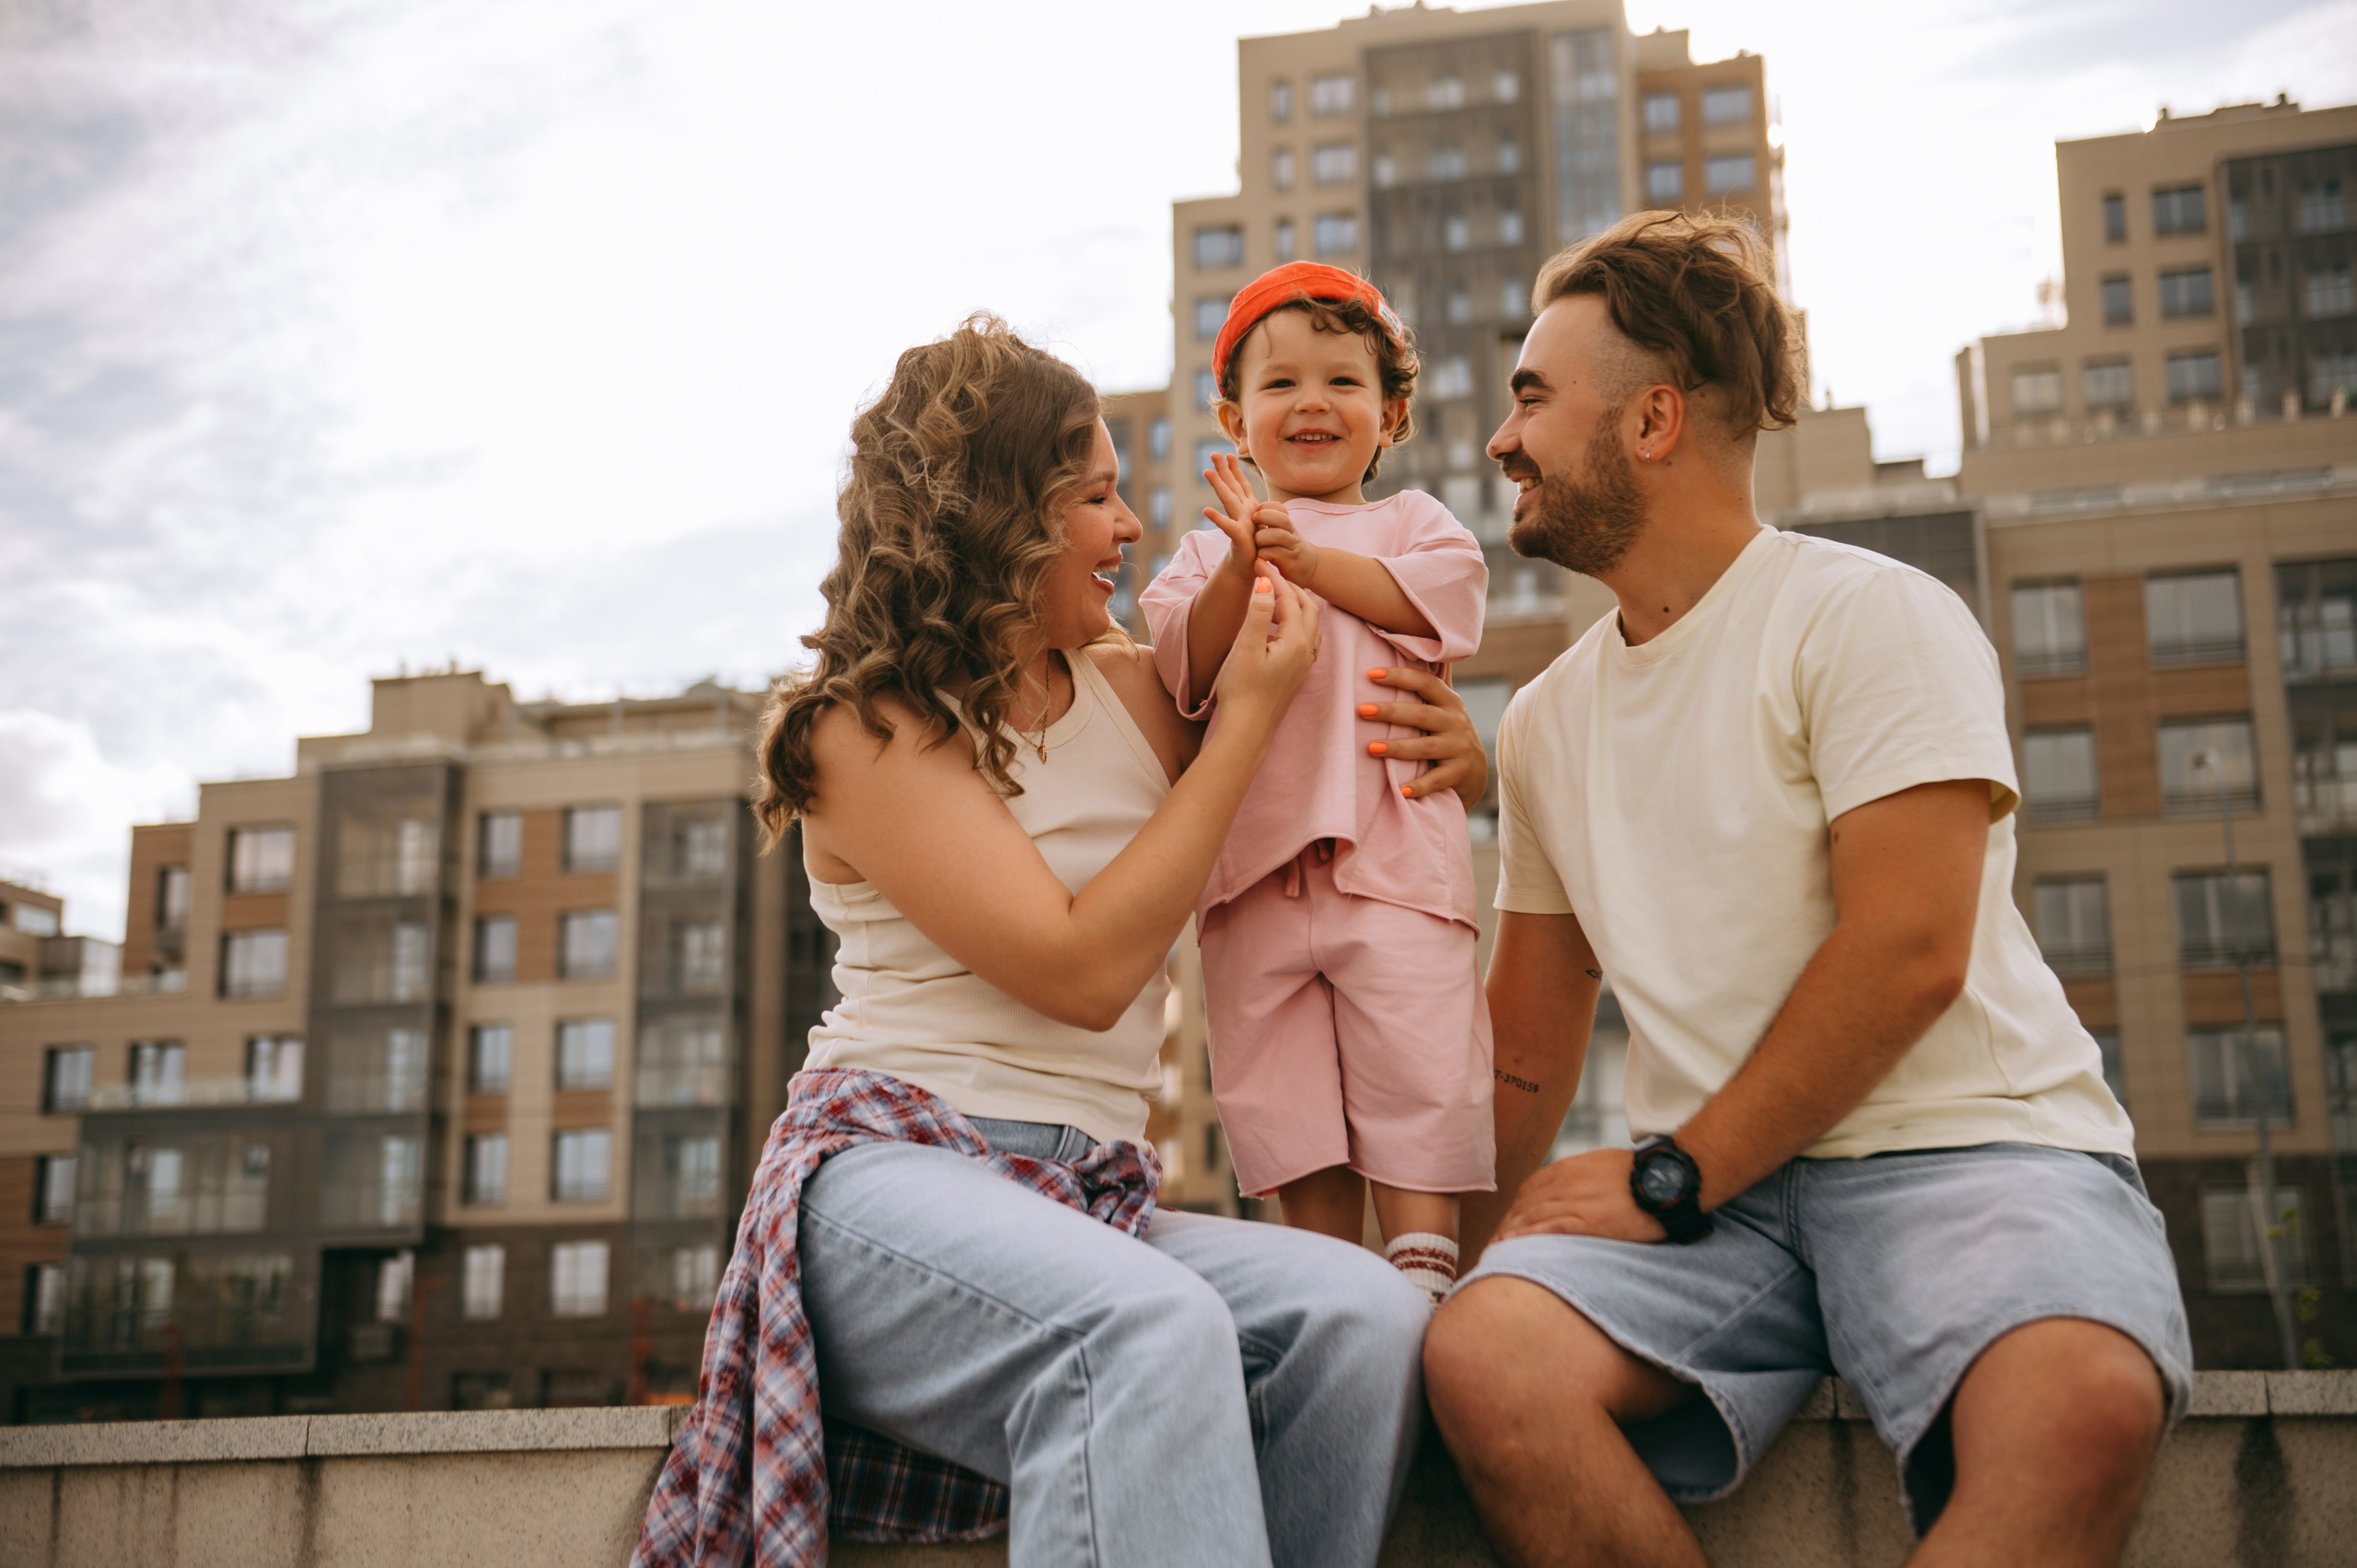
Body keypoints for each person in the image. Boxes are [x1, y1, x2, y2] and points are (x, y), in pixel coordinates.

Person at [633, 315, 1490, 1568]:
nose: (1132, 528)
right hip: (885, 1174)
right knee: (1149, 1328)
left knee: (1361, 1315)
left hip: (1093, 1192)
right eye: (1096, 496)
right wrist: (1245, 725)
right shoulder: (863, 729)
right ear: (1003, 516)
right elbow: (1084, 968)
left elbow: (1343, 744)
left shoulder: (1140, 693)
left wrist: (1472, 752)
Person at [1421, 214, 2193, 1568]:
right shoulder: (1543, 722)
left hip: (1965, 1148)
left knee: (2082, 1397)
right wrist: (1432, 1287)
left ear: (1653, 420)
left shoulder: (1868, 617)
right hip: (1720, 1212)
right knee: (1492, 1357)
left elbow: (1909, 950)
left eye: (1533, 399)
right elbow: (1531, 1049)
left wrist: (1674, 1171)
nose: (1500, 438)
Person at [1140, 263, 1492, 1301]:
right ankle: (1339, 1289)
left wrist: (1298, 555)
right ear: (1232, 418)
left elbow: (1434, 601)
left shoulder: (1413, 525)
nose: (1310, 403)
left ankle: (1424, 1268)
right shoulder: (1210, 551)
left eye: (1342, 382)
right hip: (1254, 885)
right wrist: (1242, 569)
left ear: (1390, 415)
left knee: (1418, 1069)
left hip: (1390, 864)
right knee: (1287, 1102)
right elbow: (1181, 664)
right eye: (1280, 382)